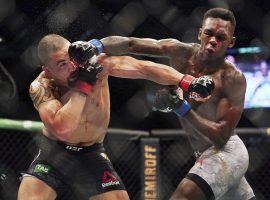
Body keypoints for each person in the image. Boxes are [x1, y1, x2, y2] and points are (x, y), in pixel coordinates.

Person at [76, 7, 256, 200]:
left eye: (221, 37)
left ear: (231, 42)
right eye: (209, 33)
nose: (213, 41)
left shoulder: (232, 78)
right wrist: (96, 46)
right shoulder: (181, 53)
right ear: (199, 33)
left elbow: (220, 137)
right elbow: (131, 43)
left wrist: (180, 107)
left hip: (225, 151)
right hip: (203, 153)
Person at [18, 34, 213, 200]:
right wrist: (84, 85)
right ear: (47, 70)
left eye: (71, 58)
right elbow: (62, 128)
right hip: (55, 154)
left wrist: (187, 82)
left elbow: (142, 68)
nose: (72, 66)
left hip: (92, 153)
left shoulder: (95, 63)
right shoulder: (42, 87)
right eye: (62, 64)